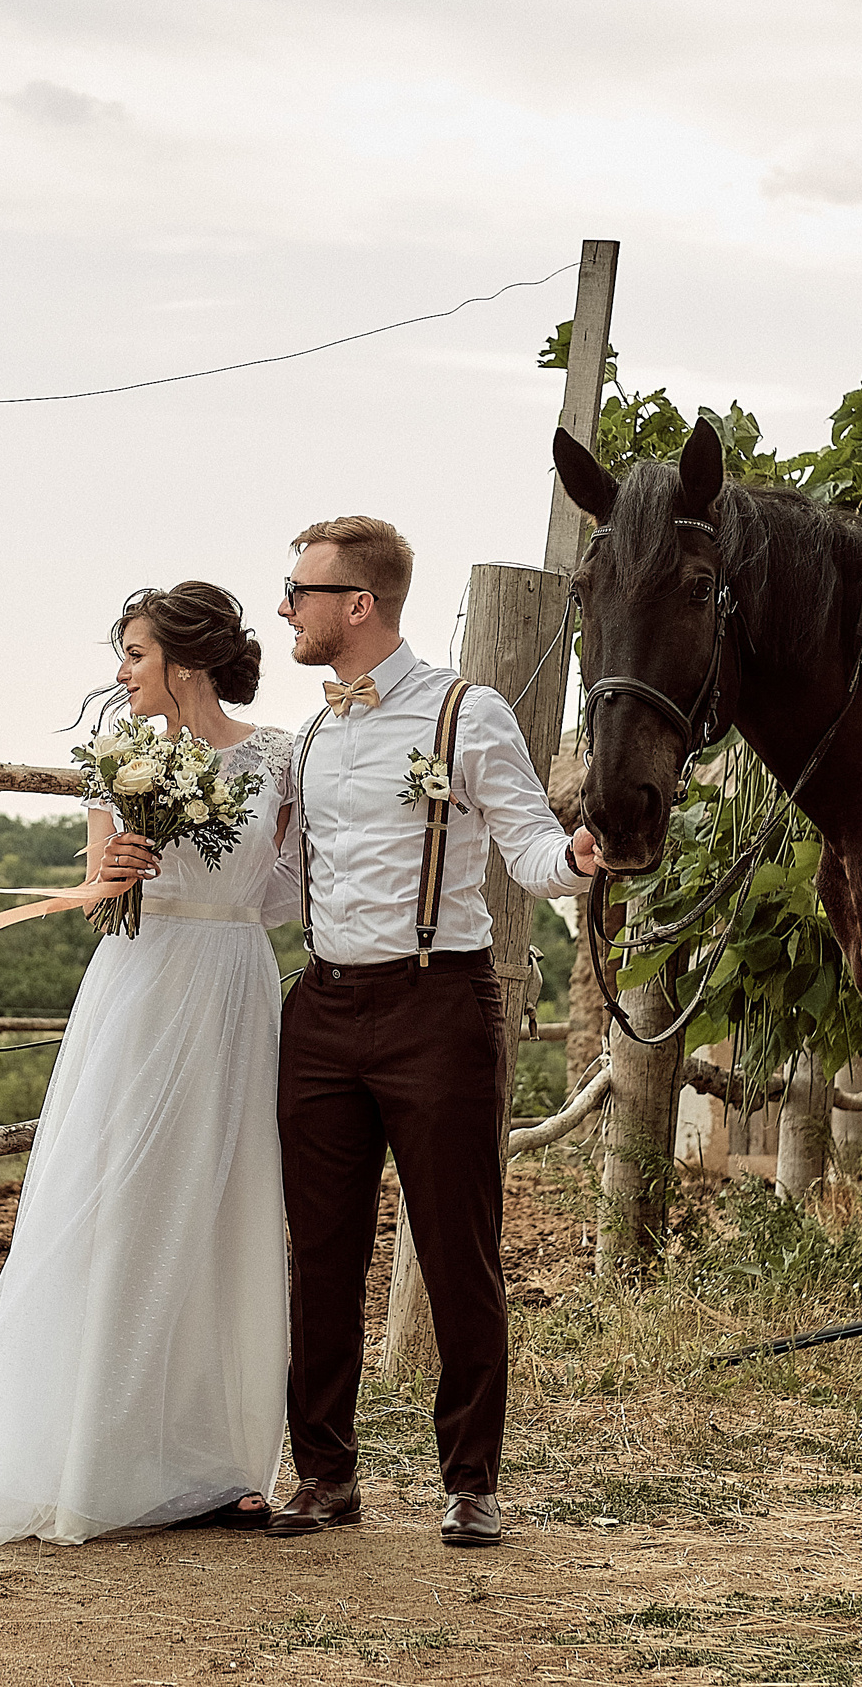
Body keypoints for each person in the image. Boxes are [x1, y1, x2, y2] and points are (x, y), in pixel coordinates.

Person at [0, 581, 297, 1547]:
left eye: (134, 655)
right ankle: (96, 1455)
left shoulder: (278, 755)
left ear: (184, 663)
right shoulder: (123, 762)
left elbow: (286, 888)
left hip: (237, 983)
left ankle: (224, 1462)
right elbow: (94, 880)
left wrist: (234, 900)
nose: (120, 674)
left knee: (227, 1201)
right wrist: (110, 877)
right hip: (141, 989)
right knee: (122, 1203)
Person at [267, 516, 599, 1548]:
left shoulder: (468, 711)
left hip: (437, 1007)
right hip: (320, 1009)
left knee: (459, 1250)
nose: (285, 607)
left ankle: (471, 1481)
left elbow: (529, 845)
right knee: (319, 1253)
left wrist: (580, 858)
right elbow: (285, 885)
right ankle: (323, 1473)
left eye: (300, 590)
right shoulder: (314, 734)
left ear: (355, 605)